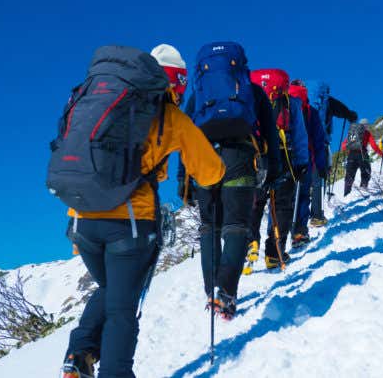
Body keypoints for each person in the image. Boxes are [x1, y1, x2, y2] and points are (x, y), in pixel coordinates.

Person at [56, 45, 225, 378]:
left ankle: (79, 355)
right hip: (129, 225)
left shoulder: (96, 102)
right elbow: (210, 171)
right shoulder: (169, 116)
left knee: (110, 290)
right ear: (177, 82)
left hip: (81, 219)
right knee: (122, 310)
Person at [179, 42, 280, 320]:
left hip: (203, 158)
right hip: (240, 157)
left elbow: (184, 135)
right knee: (236, 226)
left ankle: (211, 290)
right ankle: (225, 293)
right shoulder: (253, 92)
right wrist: (273, 169)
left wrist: (183, 177)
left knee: (209, 227)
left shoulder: (197, 96)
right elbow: (270, 134)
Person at [250, 69, 309, 269]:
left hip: (257, 155)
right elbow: (300, 134)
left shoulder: (252, 97)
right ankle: (274, 254)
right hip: (284, 154)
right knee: (282, 204)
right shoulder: (291, 102)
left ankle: (250, 242)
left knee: (255, 202)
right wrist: (302, 162)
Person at [305, 81, 358, 226]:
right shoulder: (328, 102)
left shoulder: (301, 99)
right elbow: (345, 112)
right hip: (320, 145)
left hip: (301, 145)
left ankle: (296, 219)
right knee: (319, 180)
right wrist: (351, 116)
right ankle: (316, 216)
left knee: (301, 180)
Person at [287, 80, 327, 248]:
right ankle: (300, 232)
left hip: (284, 159)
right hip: (305, 159)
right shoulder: (311, 111)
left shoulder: (283, 104)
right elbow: (319, 142)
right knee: (303, 196)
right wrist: (321, 165)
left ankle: (279, 238)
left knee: (286, 198)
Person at [341, 119, 383, 196]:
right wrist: (381, 153)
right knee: (366, 171)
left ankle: (346, 193)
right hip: (362, 154)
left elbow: (343, 146)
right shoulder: (367, 133)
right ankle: (363, 188)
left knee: (349, 174)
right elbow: (373, 145)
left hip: (351, 155)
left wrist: (350, 151)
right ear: (366, 126)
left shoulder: (353, 133)